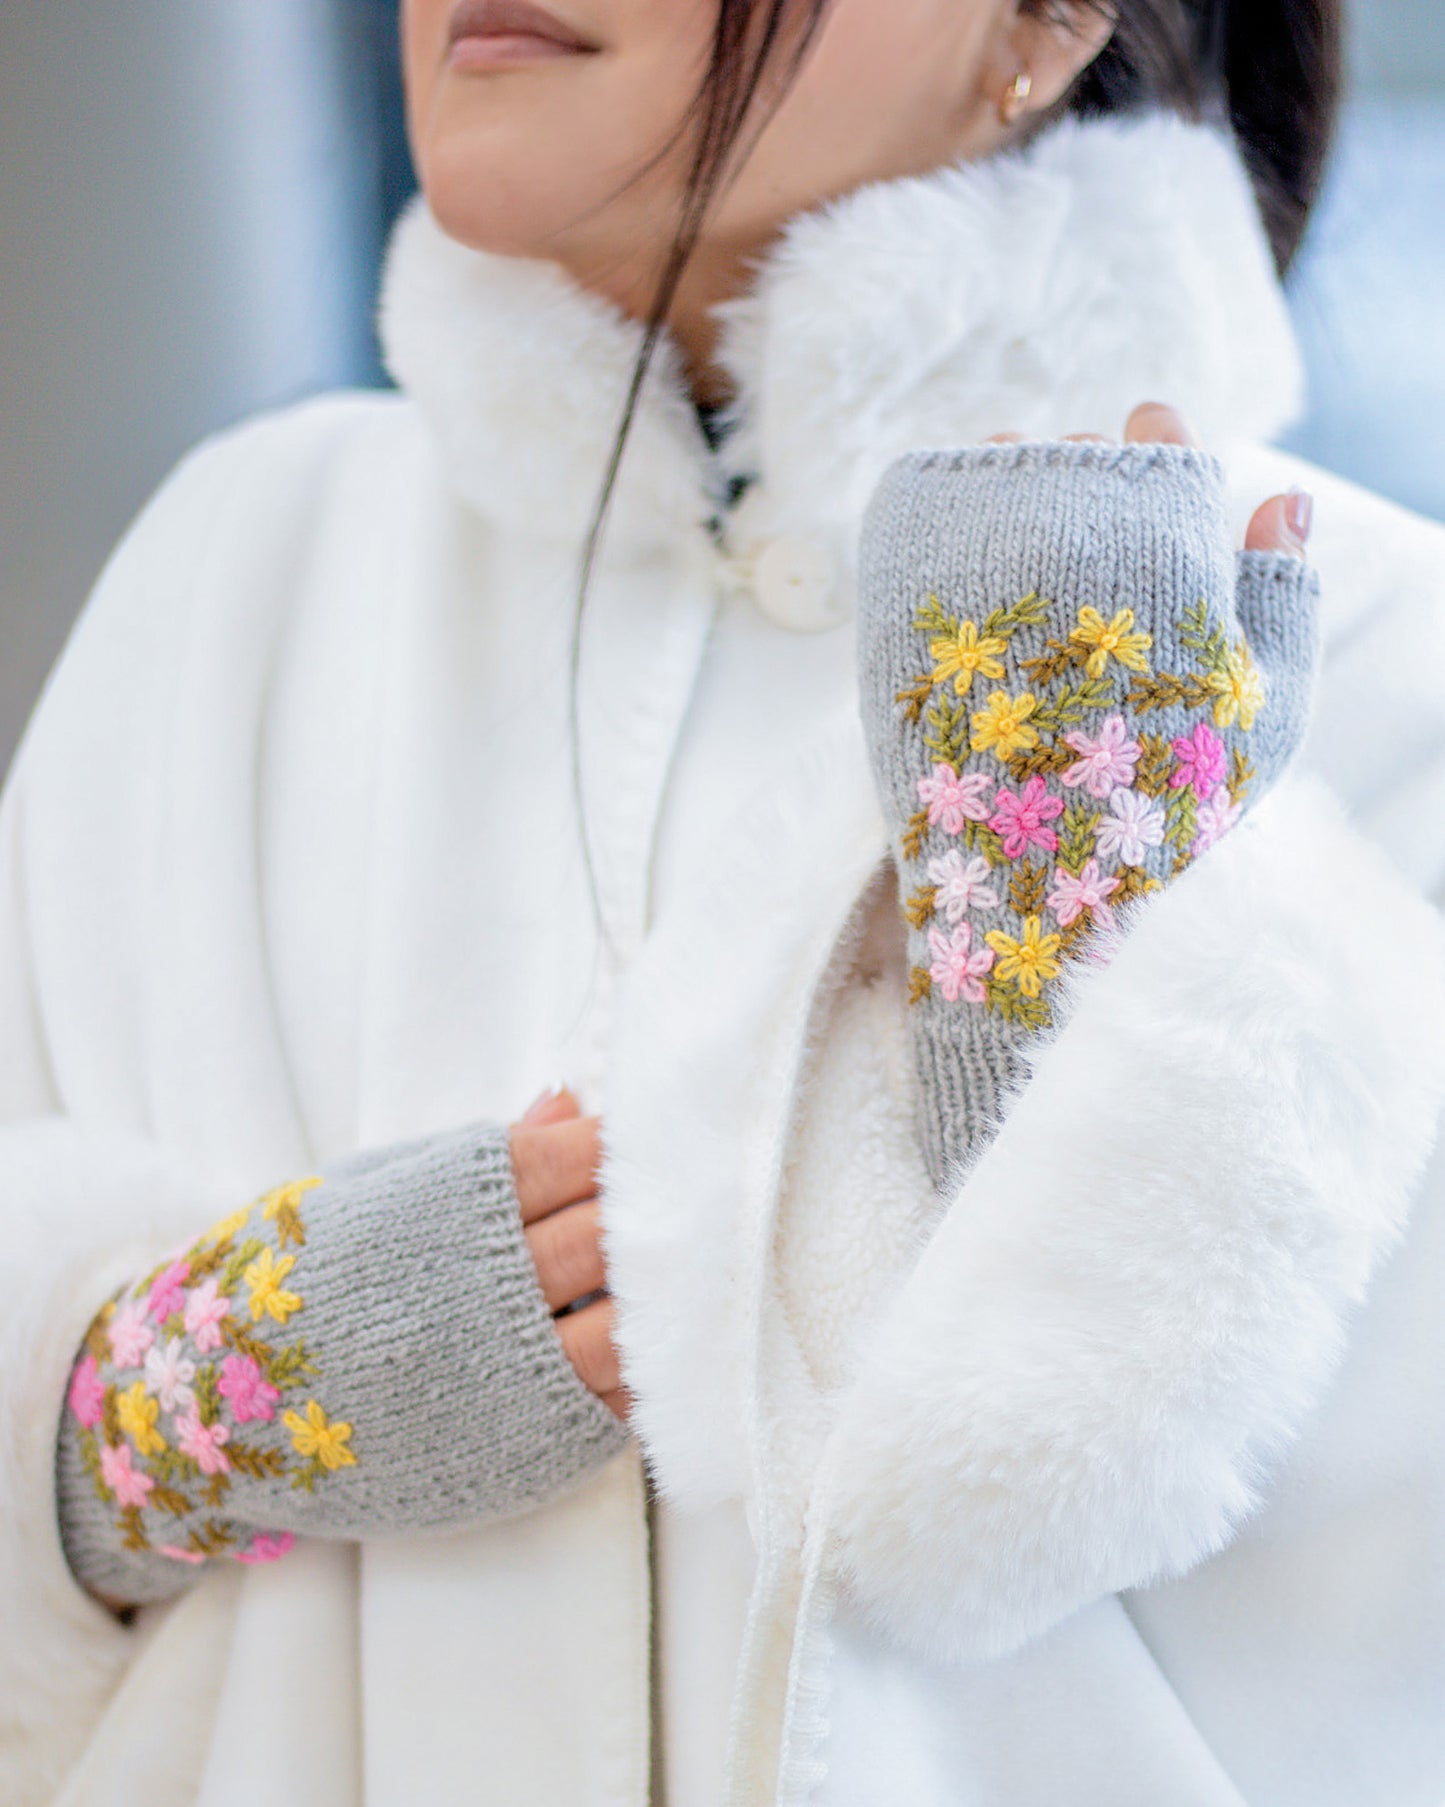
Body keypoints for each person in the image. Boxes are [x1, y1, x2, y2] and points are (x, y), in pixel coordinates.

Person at [4, 0, 1445, 1801]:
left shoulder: (1381, 659)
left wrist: (1089, 1043)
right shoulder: (234, 577)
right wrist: (177, 1406)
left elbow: (1375, 1669)